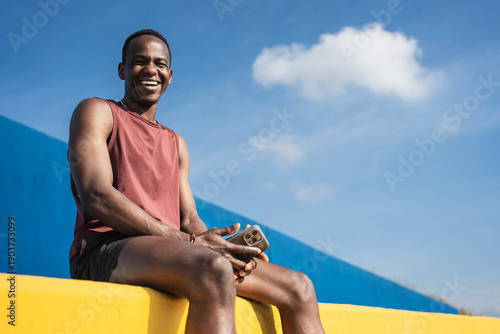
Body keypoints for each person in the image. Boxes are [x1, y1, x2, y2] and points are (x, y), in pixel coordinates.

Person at [68, 29, 325, 333]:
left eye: (160, 64)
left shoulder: (176, 143)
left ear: (171, 75)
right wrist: (189, 243)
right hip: (108, 249)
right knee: (213, 268)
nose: (151, 69)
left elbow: (188, 218)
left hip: (175, 251)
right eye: (140, 61)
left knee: (300, 288)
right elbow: (96, 195)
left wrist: (223, 247)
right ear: (123, 70)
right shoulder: (97, 111)